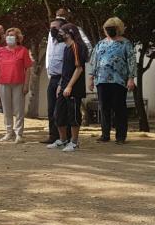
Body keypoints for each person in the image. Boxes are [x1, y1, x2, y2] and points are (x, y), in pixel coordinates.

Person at [88, 17, 136, 144]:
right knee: (104, 108)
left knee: (119, 108)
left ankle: (120, 136)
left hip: (119, 80)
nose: (109, 31)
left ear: (118, 29)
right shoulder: (100, 43)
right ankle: (105, 135)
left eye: (112, 28)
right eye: (107, 28)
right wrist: (91, 78)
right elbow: (94, 61)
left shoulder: (126, 43)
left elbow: (131, 62)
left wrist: (131, 78)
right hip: (101, 80)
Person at [47, 24, 89, 152]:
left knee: (73, 115)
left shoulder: (76, 47)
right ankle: (63, 140)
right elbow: (65, 70)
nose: (59, 34)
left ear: (69, 33)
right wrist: (61, 85)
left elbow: (79, 68)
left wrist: (69, 86)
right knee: (58, 114)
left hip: (74, 88)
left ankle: (74, 142)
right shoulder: (66, 48)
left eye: (61, 32)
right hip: (64, 86)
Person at [0, 27, 33, 144]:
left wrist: (26, 85)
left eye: (13, 35)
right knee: (6, 109)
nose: (10, 37)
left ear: (18, 38)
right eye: (8, 35)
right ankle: (9, 132)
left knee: (19, 109)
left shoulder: (23, 51)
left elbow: (28, 69)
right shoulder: (0, 51)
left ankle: (19, 134)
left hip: (18, 83)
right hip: (3, 83)